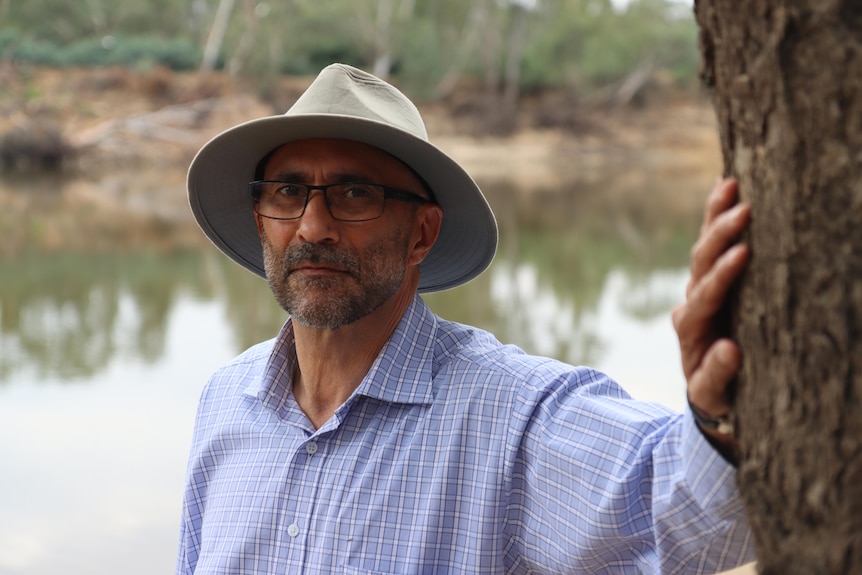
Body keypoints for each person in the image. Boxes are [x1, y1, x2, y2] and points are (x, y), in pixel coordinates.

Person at [177, 63, 755, 574]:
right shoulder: (226, 402)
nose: (311, 226)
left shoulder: (513, 416)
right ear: (260, 221)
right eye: (287, 191)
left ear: (421, 234)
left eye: (355, 194)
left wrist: (716, 411)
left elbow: (690, 515)